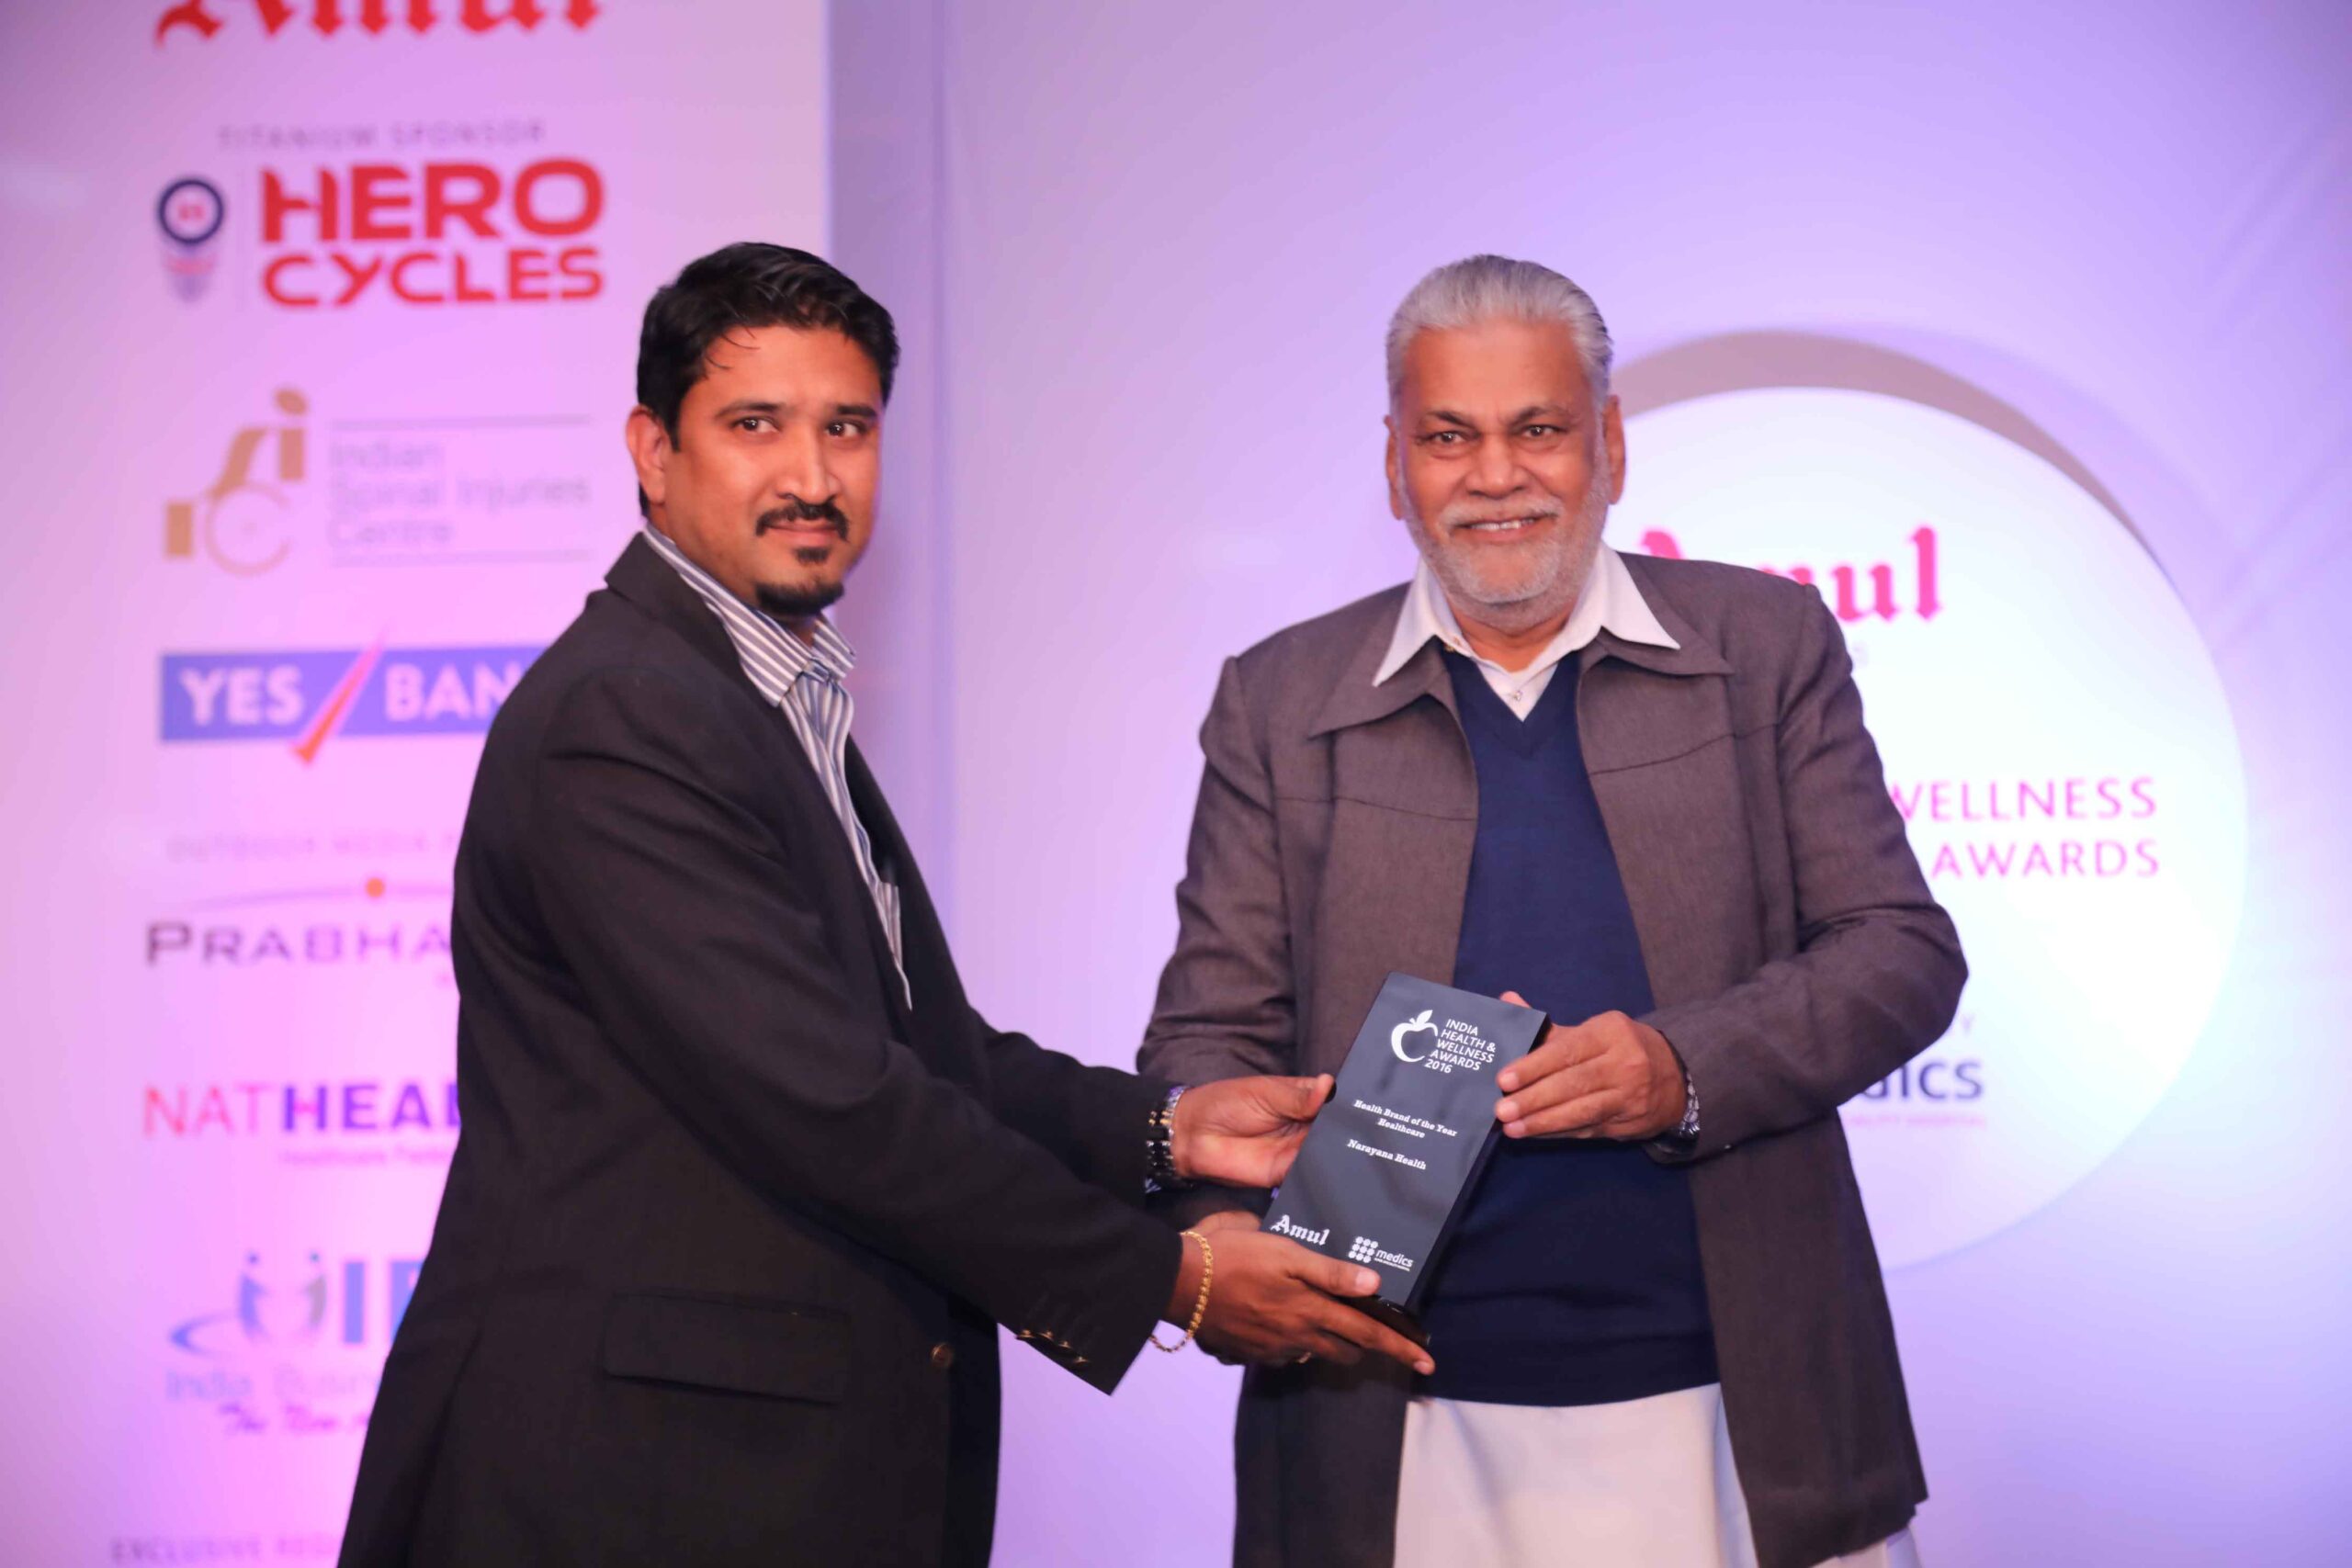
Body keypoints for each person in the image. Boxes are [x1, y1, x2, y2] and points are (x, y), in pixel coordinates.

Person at [338, 243, 1429, 1568]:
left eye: (846, 428)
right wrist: (1174, 1279)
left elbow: (919, 1056)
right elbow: (826, 1098)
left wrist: (1170, 1129)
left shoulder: (766, 692)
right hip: (629, 1485)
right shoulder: (626, 713)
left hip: (743, 1473)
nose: (812, 475)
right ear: (653, 450)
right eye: (755, 425)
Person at [1139, 254, 1966, 1568]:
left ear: (1610, 444)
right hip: (1390, 1423)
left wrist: (1681, 1069)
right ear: (1395, 463)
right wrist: (1217, 1237)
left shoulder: (1764, 646)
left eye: (1538, 429)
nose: (1496, 475)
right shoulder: (1280, 699)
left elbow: (1900, 953)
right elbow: (1205, 1039)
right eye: (1448, 437)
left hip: (1744, 1414)